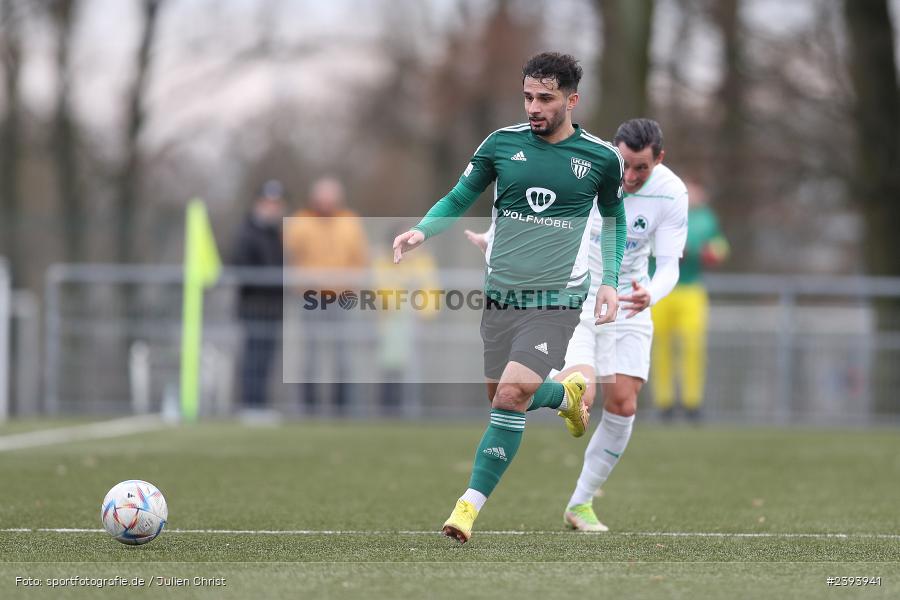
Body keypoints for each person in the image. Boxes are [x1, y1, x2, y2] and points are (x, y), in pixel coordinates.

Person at [393, 52, 626, 543]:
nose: (534, 107)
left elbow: (615, 221)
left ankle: (466, 509)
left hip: (558, 299)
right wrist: (422, 231)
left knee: (511, 394)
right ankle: (563, 395)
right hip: (500, 297)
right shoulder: (501, 145)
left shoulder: (602, 158)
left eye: (545, 98)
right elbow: (459, 198)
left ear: (571, 100)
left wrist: (609, 282)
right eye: (528, 97)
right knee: (502, 400)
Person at [467, 118, 688, 532]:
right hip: (576, 295)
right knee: (583, 394)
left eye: (643, 167)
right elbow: (538, 209)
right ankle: (551, 396)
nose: (633, 176)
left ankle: (581, 503)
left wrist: (649, 295)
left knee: (623, 403)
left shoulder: (672, 192)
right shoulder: (589, 164)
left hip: (631, 302)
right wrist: (493, 236)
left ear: (659, 159)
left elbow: (670, 266)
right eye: (627, 165)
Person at [284, 177, 369, 415]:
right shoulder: (300, 222)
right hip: (309, 297)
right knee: (309, 354)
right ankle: (308, 408)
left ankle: (342, 409)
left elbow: (359, 257)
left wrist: (353, 286)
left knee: (343, 354)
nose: (326, 203)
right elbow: (291, 256)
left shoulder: (350, 222)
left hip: (341, 297)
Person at [651, 179, 729, 421]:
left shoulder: (706, 218)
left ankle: (692, 402)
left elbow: (720, 246)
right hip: (660, 287)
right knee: (660, 346)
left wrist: (710, 252)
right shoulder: (660, 211)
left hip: (691, 288)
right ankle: (664, 403)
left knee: (692, 346)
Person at [231, 180, 287, 412]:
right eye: (268, 202)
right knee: (253, 358)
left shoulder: (276, 233)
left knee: (266, 360)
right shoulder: (247, 231)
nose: (272, 208)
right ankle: (250, 404)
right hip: (254, 305)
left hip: (273, 307)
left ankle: (260, 404)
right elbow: (241, 264)